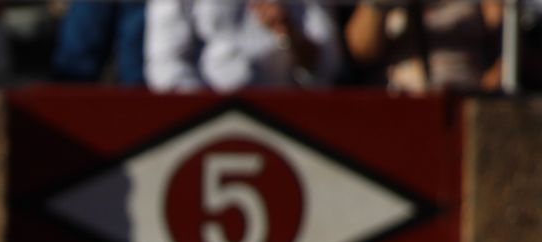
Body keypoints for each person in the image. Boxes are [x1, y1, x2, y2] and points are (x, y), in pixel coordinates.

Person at [145, 0, 344, 90]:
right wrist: (212, 115)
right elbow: (166, 65)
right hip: (203, 119)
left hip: (287, 120)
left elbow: (327, 67)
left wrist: (291, 36)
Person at [344, 0, 502, 92]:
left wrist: (484, 97)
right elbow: (361, 50)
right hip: (397, 104)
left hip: (463, 102)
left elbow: (507, 45)